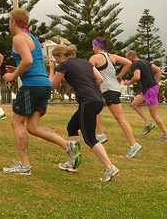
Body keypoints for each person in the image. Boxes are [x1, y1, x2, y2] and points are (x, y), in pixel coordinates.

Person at [1, 9, 80, 176]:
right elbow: (32, 62)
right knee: (33, 127)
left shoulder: (18, 38)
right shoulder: (32, 38)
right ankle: (69, 146)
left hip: (32, 85)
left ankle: (25, 166)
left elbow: (28, 60)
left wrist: (14, 75)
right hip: (43, 84)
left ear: (13, 22)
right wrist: (19, 70)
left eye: (9, 21)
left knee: (16, 123)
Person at [49, 44, 120, 182]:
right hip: (98, 99)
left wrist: (52, 70)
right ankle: (73, 161)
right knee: (72, 127)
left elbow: (53, 85)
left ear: (62, 56)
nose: (56, 62)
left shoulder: (65, 65)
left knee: (90, 139)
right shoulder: (86, 63)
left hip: (87, 102)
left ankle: (110, 167)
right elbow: (100, 79)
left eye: (56, 58)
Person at [89, 37, 142, 158]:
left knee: (94, 107)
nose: (92, 48)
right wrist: (120, 76)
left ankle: (131, 143)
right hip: (115, 89)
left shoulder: (94, 58)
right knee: (95, 108)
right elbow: (128, 63)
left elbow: (89, 72)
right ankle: (102, 135)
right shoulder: (112, 56)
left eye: (93, 46)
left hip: (107, 90)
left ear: (96, 46)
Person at [124, 51, 167, 141]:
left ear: (131, 57)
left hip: (150, 90)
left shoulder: (136, 64)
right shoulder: (145, 62)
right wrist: (156, 83)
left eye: (127, 58)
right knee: (134, 104)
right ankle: (148, 123)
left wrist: (129, 82)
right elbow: (159, 70)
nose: (127, 60)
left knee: (154, 114)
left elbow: (137, 77)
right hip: (148, 90)